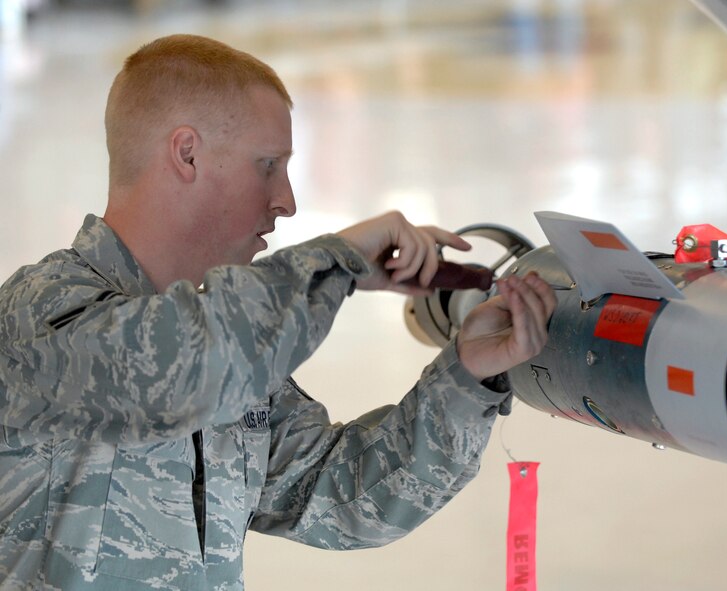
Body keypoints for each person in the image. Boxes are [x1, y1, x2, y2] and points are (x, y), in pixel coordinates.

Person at [0, 34, 556, 590]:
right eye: (268, 165)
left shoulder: (226, 350)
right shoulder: (42, 314)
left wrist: (467, 376)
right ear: (186, 153)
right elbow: (174, 371)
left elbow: (341, 496)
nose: (286, 199)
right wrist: (336, 260)